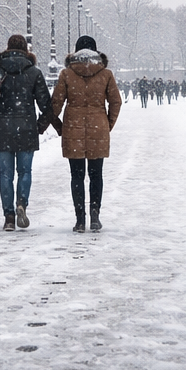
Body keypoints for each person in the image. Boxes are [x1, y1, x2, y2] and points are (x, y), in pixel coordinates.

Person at [0, 35, 56, 231]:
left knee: (5, 174)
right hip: (26, 127)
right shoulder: (34, 72)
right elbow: (47, 105)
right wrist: (40, 125)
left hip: (2, 128)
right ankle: (21, 203)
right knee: (25, 171)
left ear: (7, 48)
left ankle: (9, 217)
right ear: (26, 50)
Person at [50, 36, 121, 232]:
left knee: (77, 176)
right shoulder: (106, 74)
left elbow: (55, 104)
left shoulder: (66, 74)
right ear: (96, 52)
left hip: (73, 127)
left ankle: (80, 219)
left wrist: (59, 126)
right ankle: (95, 216)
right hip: (99, 127)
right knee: (96, 174)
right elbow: (116, 101)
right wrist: (108, 124)